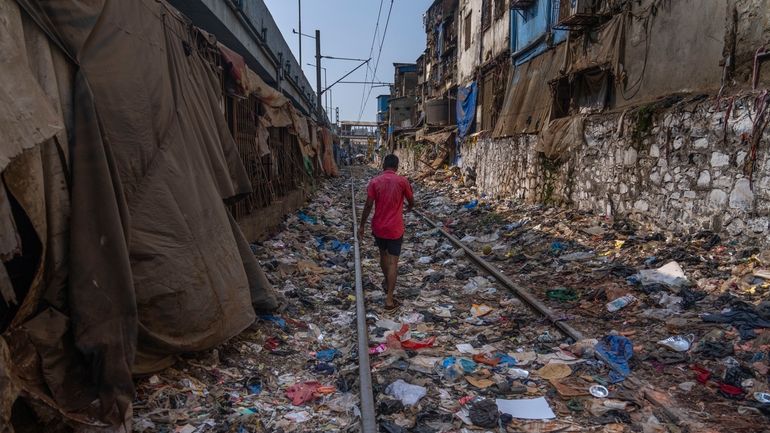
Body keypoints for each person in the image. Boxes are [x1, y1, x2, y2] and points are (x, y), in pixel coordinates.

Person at [358, 154, 414, 312]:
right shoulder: (402, 181)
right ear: (396, 167)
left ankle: (386, 280)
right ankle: (389, 298)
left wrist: (362, 225)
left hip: (379, 227)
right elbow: (411, 201)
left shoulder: (375, 181)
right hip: (395, 228)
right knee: (393, 263)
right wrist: (409, 207)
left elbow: (368, 205)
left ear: (383, 165)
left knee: (383, 256)